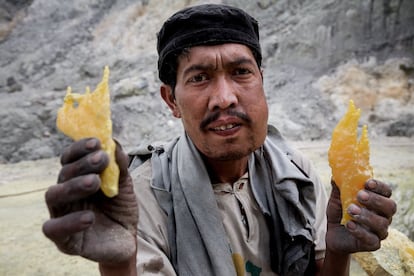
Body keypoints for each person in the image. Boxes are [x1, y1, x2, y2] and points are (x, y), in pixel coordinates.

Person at [42, 4, 397, 276]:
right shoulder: (144, 198)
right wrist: (119, 267)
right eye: (200, 78)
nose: (225, 97)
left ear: (262, 81)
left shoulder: (295, 173)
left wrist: (338, 252)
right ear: (171, 100)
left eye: (241, 72)